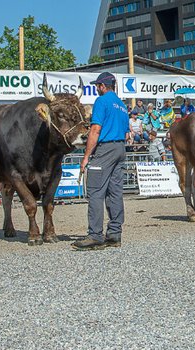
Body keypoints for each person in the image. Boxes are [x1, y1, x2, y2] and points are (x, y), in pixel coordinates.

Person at [73, 72, 129, 251]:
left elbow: (96, 130)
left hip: (105, 149)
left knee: (96, 191)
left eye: (98, 86)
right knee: (115, 192)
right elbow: (127, 132)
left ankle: (95, 235)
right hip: (120, 147)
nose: (97, 88)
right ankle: (114, 233)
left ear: (103, 86)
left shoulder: (101, 102)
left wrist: (86, 156)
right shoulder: (121, 105)